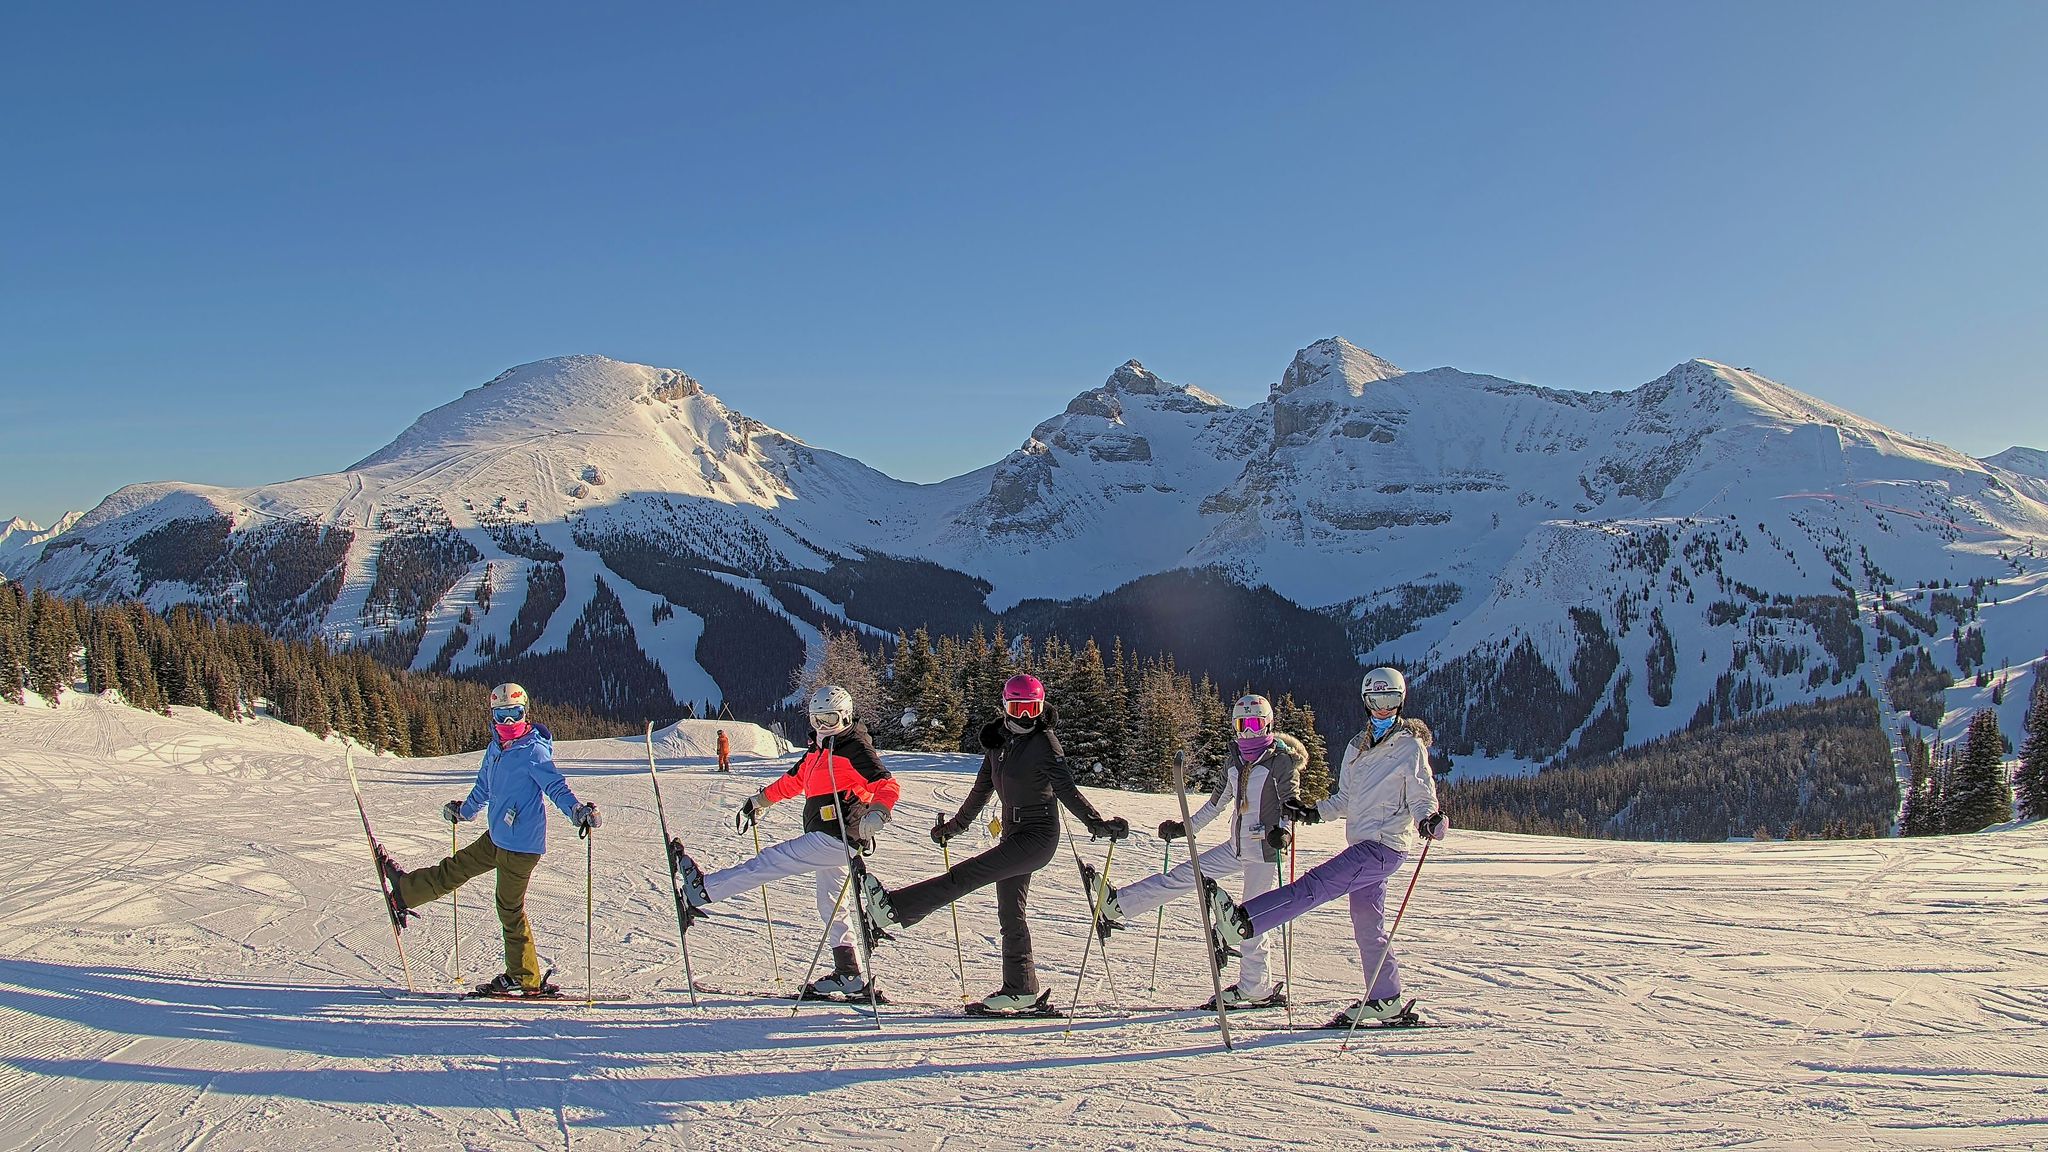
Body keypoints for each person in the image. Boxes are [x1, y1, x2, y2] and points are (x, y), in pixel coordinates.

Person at [858, 674, 1131, 1015]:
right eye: (1019, 708)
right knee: (1010, 913)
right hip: (1012, 832)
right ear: (1005, 707)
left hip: (1037, 836)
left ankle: (894, 908)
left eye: (1033, 709)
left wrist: (1097, 824)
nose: (1026, 718)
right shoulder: (998, 743)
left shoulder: (1045, 744)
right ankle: (1021, 990)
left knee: (967, 875)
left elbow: (1066, 789)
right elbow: (980, 791)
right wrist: (954, 828)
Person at [1203, 668, 1447, 1027]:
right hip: (1363, 842)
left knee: (1313, 887)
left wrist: (1430, 819)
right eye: (1376, 701)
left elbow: (1423, 795)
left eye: (1390, 700)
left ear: (1401, 701)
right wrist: (1313, 811)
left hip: (1384, 846)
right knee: (1368, 923)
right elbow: (1346, 799)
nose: (1383, 709)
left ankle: (1245, 921)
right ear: (1366, 703)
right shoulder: (1355, 747)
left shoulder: (1410, 746)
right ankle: (1386, 999)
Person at [670, 686, 900, 999]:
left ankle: (704, 890)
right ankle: (849, 973)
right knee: (831, 903)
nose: (823, 725)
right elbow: (793, 782)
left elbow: (886, 783)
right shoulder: (818, 750)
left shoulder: (854, 746)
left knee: (770, 861)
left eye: (830, 718)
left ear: (845, 716)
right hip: (828, 838)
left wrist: (879, 812)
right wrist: (760, 801)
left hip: (840, 836)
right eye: (817, 719)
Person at [377, 683, 600, 997]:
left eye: (515, 714)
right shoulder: (496, 748)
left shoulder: (533, 751)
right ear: (493, 717)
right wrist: (464, 812)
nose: (509, 722)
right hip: (496, 837)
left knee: (509, 909)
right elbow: (484, 787)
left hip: (521, 847)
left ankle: (524, 978)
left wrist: (577, 812)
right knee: (454, 869)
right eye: (502, 715)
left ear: (526, 713)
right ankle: (405, 893)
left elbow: (556, 787)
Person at [1090, 693, 1304, 1009]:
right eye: (1242, 725)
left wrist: (1283, 834)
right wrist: (1184, 828)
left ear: (1268, 725)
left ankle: (1255, 987)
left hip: (1264, 850)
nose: (1248, 733)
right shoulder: (1236, 761)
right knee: (1184, 874)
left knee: (1252, 916)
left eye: (1256, 725)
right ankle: (1119, 904)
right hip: (1236, 846)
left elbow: (1291, 803)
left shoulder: (1280, 761)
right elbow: (1216, 804)